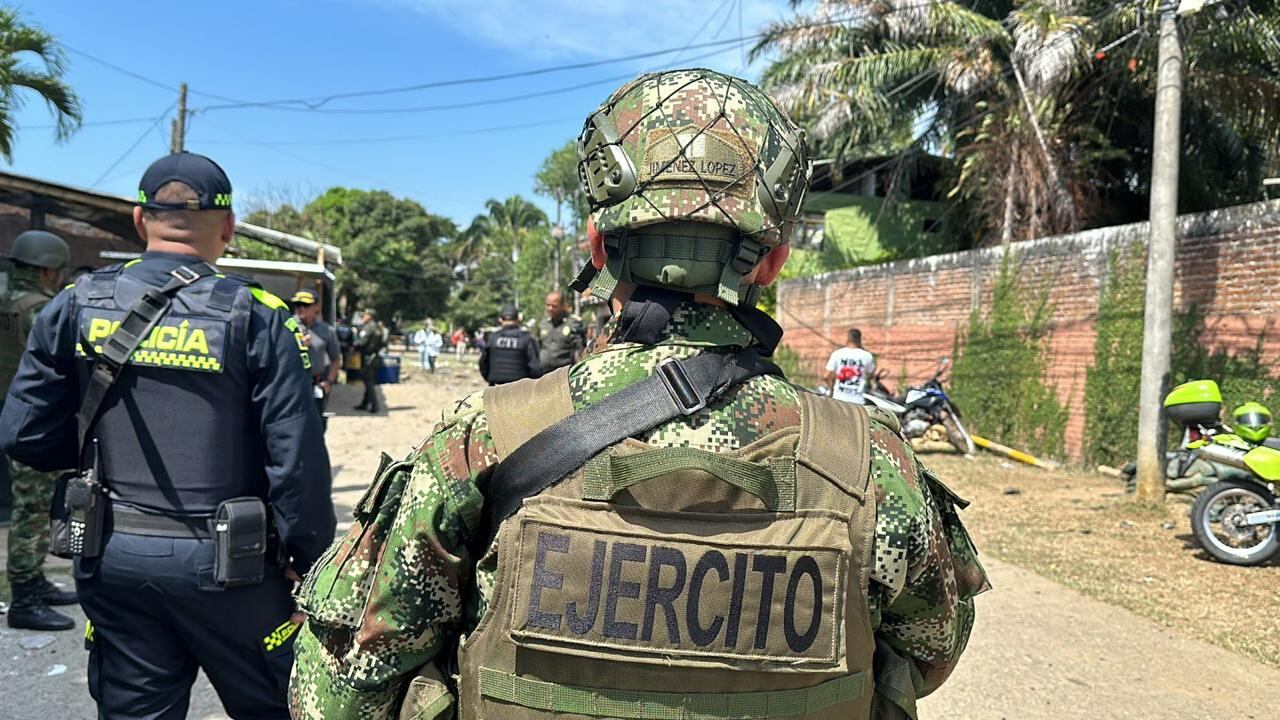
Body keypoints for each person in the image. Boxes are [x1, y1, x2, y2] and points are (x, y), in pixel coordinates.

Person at [290, 69, 986, 720]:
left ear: (598, 246)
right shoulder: (868, 461)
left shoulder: (484, 440)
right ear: (773, 259)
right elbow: (930, 648)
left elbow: (344, 687)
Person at [0, 152, 335, 719]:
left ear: (138, 221)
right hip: (236, 568)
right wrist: (312, 561)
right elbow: (295, 460)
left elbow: (24, 435)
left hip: (112, 557)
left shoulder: (75, 304)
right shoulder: (257, 315)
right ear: (227, 230)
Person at [1, 229, 79, 631]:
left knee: (27, 505)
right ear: (48, 270)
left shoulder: (5, 301)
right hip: (34, 421)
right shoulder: (41, 310)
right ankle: (25, 600)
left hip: (10, 415)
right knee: (31, 509)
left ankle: (35, 582)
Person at [291, 290, 340, 429]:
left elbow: (335, 359)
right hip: (294, 383)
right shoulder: (288, 327)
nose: (301, 308)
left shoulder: (326, 330)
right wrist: (299, 345)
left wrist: (329, 381)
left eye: (305, 305)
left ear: (316, 307)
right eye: (298, 305)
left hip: (317, 382)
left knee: (317, 424)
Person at [477, 304, 540, 385]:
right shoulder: (526, 338)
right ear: (518, 319)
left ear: (500, 319)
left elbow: (483, 363)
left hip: (496, 387)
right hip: (520, 389)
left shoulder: (493, 337)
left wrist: (490, 379)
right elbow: (535, 367)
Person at [531, 290, 586, 372]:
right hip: (543, 373)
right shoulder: (544, 323)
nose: (550, 308)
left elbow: (580, 350)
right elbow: (537, 346)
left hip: (563, 372)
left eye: (554, 306)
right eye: (548, 305)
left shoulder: (573, 323)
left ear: (563, 306)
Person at [824, 328, 876, 405]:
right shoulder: (867, 356)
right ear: (859, 339)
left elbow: (826, 376)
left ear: (847, 339)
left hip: (839, 399)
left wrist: (831, 389)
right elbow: (871, 374)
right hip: (858, 401)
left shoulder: (837, 354)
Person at [353, 308, 385, 413]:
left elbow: (361, 342)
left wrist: (353, 346)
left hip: (368, 357)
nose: (363, 317)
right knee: (369, 381)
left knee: (368, 382)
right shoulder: (377, 327)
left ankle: (375, 406)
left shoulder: (369, 327)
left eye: (365, 315)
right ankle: (365, 403)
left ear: (370, 316)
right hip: (375, 357)